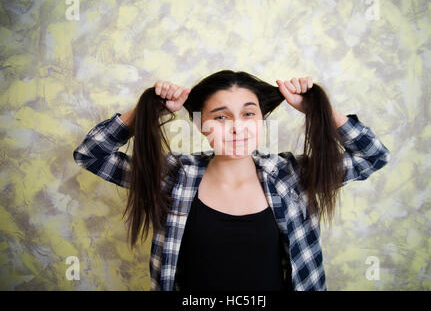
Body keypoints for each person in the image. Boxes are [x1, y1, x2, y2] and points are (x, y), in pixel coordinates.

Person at [73, 70, 390, 291]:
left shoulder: (291, 176)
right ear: (201, 125)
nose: (237, 128)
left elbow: (373, 156)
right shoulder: (174, 177)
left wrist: (316, 110)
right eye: (221, 117)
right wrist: (149, 109)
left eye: (249, 114)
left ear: (261, 121)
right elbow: (91, 155)